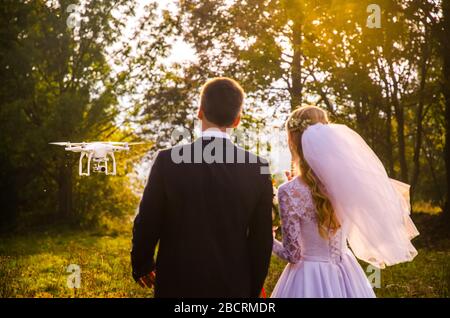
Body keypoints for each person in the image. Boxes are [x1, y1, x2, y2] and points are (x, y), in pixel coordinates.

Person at [131, 77, 273, 298]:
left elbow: (148, 220)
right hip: (233, 286)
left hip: (176, 283)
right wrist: (252, 288)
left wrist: (142, 264)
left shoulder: (167, 161)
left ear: (200, 111)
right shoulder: (259, 168)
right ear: (237, 120)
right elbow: (261, 240)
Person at [271, 105, 419, 298]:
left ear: (292, 141)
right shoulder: (349, 183)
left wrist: (269, 240)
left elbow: (293, 255)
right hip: (347, 272)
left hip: (308, 279)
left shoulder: (289, 191)